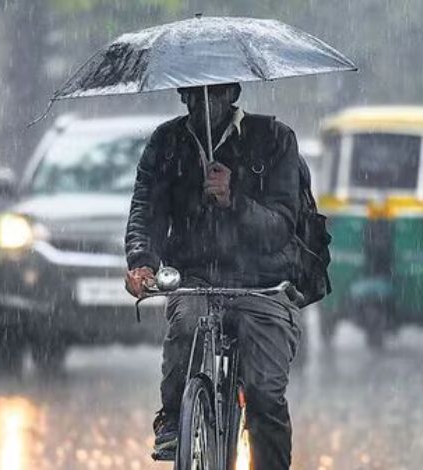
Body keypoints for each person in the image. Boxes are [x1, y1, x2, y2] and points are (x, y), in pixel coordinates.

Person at [124, 82, 302, 469]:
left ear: (233, 93)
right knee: (186, 320)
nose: (204, 103)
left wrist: (232, 198)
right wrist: (142, 260)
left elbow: (282, 227)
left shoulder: (274, 139)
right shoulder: (167, 142)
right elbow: (146, 209)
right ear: (183, 97)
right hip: (196, 276)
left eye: (215, 93)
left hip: (263, 283)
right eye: (194, 94)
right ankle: (173, 420)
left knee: (265, 396)